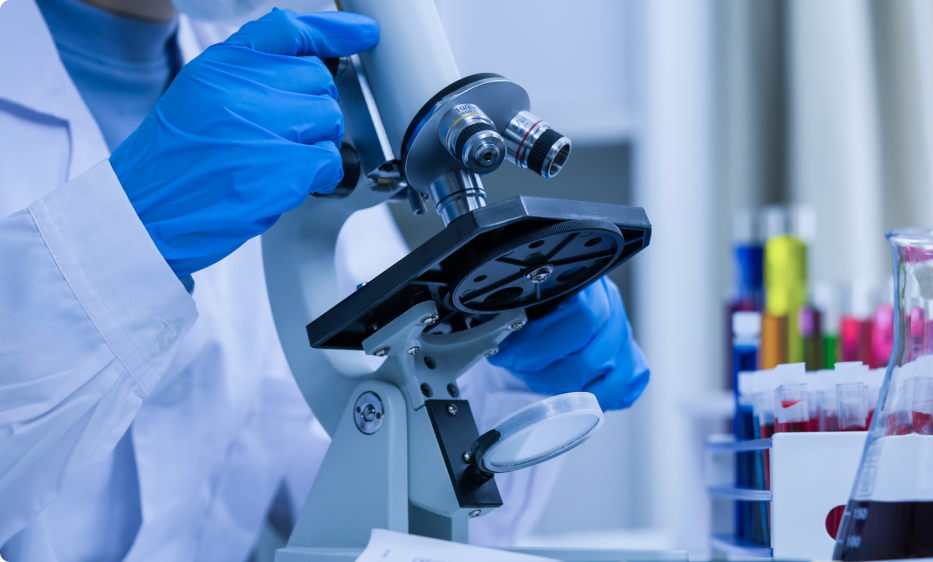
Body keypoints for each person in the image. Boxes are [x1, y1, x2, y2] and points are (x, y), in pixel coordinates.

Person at [0, 0, 649, 560]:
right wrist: (120, 238)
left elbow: (370, 502)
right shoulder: (249, 109)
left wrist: (496, 360)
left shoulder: (287, 108)